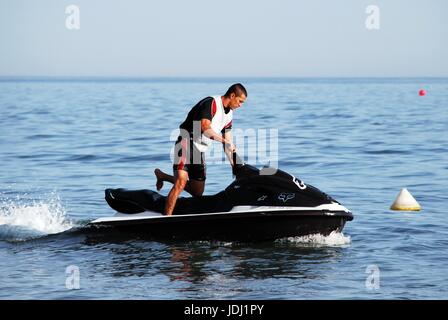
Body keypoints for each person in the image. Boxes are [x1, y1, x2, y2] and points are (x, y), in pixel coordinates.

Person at [154, 83, 247, 215]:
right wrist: (225, 141)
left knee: (197, 191)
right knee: (180, 182)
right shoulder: (210, 103)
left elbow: (228, 145)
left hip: (200, 150)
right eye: (240, 101)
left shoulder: (229, 115)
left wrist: (236, 168)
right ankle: (166, 220)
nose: (240, 105)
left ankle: (162, 176)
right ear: (232, 95)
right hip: (187, 142)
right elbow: (205, 128)